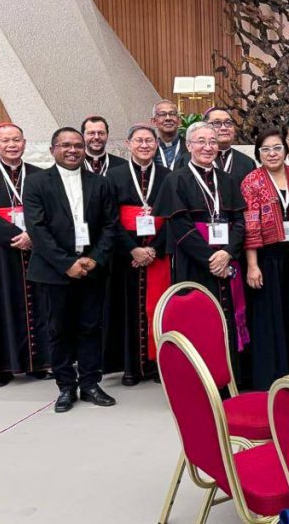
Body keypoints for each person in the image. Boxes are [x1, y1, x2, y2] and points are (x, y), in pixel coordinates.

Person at [23, 128, 118, 413]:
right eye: (65, 145)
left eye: (78, 145)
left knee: (91, 328)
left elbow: (110, 225)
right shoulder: (36, 183)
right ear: (53, 149)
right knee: (58, 330)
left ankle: (90, 384)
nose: (73, 150)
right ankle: (66, 386)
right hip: (54, 271)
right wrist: (67, 264)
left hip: (91, 268)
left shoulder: (100, 183)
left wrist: (95, 259)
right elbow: (37, 229)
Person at [152, 122, 248, 384]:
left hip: (227, 260)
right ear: (189, 145)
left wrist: (227, 253)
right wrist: (210, 259)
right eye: (201, 141)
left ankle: (229, 379)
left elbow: (239, 222)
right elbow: (180, 227)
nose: (208, 147)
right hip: (193, 263)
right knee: (197, 320)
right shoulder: (176, 180)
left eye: (212, 142)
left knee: (227, 318)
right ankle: (199, 384)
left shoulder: (227, 180)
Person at [0, 123, 49, 387]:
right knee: (1, 305)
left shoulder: (39, 175)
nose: (12, 145)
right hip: (1, 250)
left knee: (39, 305)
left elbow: (48, 210)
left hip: (35, 248)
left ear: (24, 143)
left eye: (16, 140)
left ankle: (38, 363)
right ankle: (3, 367)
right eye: (5, 141)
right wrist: (17, 236)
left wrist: (32, 235)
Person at [103, 124, 171, 386]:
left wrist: (153, 249)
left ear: (156, 144)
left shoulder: (167, 175)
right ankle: (130, 367)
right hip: (125, 255)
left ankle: (156, 365)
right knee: (127, 309)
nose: (144, 145)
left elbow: (173, 218)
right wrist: (132, 249)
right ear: (128, 144)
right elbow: (109, 217)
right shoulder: (114, 175)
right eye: (139, 141)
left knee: (158, 309)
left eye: (149, 141)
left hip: (157, 253)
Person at [242, 129, 289, 390]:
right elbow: (250, 224)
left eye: (277, 148)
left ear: (285, 150)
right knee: (269, 319)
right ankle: (269, 380)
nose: (272, 154)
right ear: (258, 154)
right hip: (266, 258)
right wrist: (252, 265)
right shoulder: (252, 181)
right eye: (266, 149)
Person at [205, 107, 256, 188]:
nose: (224, 128)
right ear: (204, 127)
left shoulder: (247, 163)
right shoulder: (190, 160)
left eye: (228, 123)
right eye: (217, 123)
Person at [151, 100, 185, 170]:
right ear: (154, 122)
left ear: (179, 121)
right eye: (162, 114)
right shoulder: (149, 149)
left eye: (172, 114)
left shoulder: (190, 147)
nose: (168, 118)